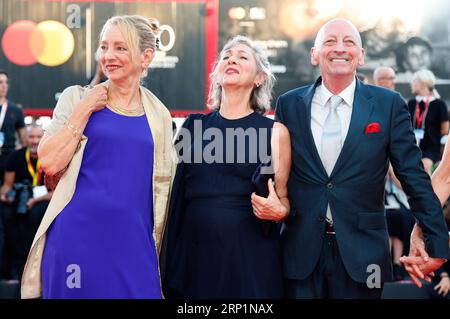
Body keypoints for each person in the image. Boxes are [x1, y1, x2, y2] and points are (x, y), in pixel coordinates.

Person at [275, 18, 449, 299]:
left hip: (364, 254)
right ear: (314, 54)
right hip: (300, 252)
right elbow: (279, 173)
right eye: (330, 41)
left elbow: (412, 175)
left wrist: (437, 242)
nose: (340, 48)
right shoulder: (289, 104)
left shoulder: (388, 104)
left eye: (349, 42)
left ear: (362, 55)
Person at [20, 15, 176, 299]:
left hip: (134, 245)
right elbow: (50, 162)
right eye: (104, 47)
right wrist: (84, 108)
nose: (108, 56)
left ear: (146, 57)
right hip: (76, 240)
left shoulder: (160, 116)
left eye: (120, 48)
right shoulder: (75, 97)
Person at [162, 35, 291, 299]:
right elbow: (172, 194)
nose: (231, 59)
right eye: (226, 56)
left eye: (243, 56)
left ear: (259, 78)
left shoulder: (275, 132)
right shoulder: (193, 126)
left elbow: (284, 200)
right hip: (194, 255)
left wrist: (280, 211)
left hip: (250, 257)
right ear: (218, 75)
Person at [373, 66, 415, 281]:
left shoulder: (398, 103)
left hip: (393, 178)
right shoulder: (367, 101)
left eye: (391, 78)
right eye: (384, 78)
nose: (389, 81)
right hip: (370, 177)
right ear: (376, 80)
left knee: (401, 218)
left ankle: (396, 264)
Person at [0, 125, 52, 281]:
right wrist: (5, 195)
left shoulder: (52, 156)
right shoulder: (16, 157)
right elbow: (7, 185)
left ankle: (34, 266)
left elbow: (58, 192)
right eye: (31, 137)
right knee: (7, 213)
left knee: (35, 214)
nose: (35, 141)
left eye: (38, 137)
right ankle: (11, 269)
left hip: (44, 200)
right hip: (21, 200)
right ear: (26, 139)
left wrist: (35, 199)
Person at [407, 69, 449, 175]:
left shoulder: (439, 104)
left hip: (431, 146)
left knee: (425, 168)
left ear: (423, 83)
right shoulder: (411, 103)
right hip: (412, 145)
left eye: (414, 81)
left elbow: (445, 130)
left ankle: (427, 191)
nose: (412, 84)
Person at [0, 70, 27, 184]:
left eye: (6, 82)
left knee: (5, 195)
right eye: (0, 82)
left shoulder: (15, 110)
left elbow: (24, 141)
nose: (4, 85)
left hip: (7, 159)